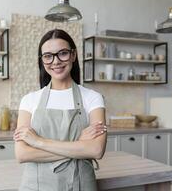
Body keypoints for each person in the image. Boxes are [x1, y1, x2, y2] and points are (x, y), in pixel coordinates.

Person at [14, 29, 107, 191]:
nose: (55, 61)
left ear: (73, 55)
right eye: (48, 56)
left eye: (62, 53)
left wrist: (38, 142)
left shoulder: (93, 98)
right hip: (36, 186)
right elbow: (23, 154)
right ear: (42, 60)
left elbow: (96, 150)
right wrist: (79, 146)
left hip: (81, 184)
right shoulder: (29, 100)